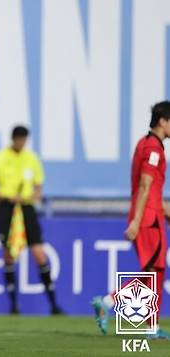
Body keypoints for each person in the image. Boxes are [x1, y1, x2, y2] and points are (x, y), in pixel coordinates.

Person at [92, 101, 170, 339]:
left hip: (151, 214)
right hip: (148, 218)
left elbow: (150, 188)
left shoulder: (144, 144)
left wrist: (165, 213)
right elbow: (145, 186)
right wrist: (137, 221)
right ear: (162, 121)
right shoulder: (154, 150)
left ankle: (151, 328)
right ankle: (108, 301)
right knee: (151, 273)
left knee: (154, 273)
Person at [0, 125, 62, 315]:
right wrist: (6, 195)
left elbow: (38, 189)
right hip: (6, 207)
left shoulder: (31, 159)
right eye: (19, 139)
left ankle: (53, 304)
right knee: (9, 254)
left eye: (24, 140)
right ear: (13, 139)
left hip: (26, 208)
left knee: (39, 253)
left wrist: (29, 197)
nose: (21, 143)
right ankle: (14, 305)